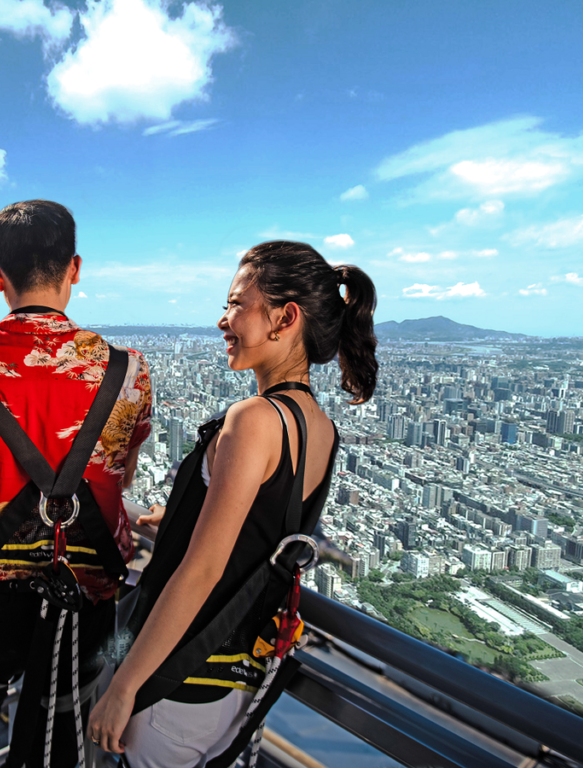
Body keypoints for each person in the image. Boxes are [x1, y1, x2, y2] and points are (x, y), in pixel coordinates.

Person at [87, 240, 378, 765]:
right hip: (238, 688)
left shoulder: (253, 419)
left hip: (175, 684)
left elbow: (201, 571)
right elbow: (258, 534)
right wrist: (175, 524)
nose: (223, 320)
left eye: (236, 303)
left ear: (284, 318)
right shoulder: (320, 430)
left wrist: (124, 688)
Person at [0, 200, 152, 768]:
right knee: (65, 723)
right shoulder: (127, 368)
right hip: (89, 584)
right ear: (74, 268)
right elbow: (119, 475)